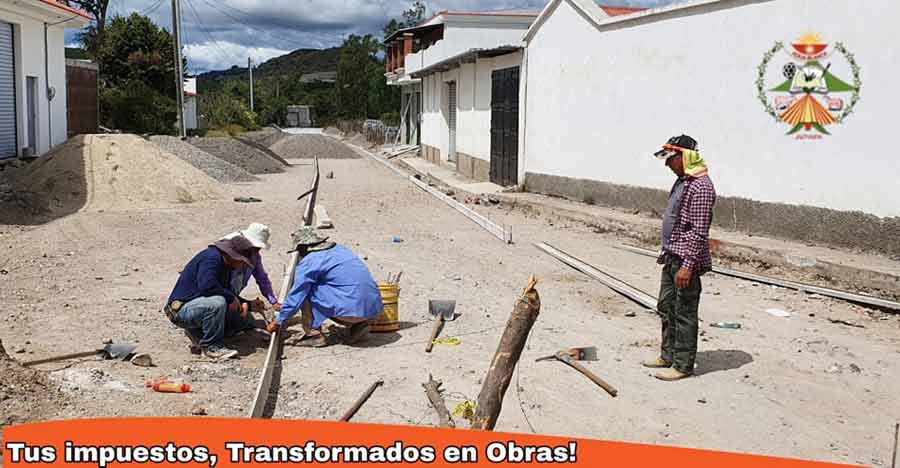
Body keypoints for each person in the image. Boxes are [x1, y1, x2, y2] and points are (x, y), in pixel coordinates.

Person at [644, 134, 717, 381]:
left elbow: (698, 231)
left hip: (686, 261)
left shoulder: (701, 187)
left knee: (684, 311)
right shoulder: (682, 182)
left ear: (685, 157)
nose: (667, 164)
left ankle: (683, 364)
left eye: (670, 158)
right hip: (672, 256)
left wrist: (687, 266)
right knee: (666, 307)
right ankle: (668, 355)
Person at [266, 227, 383, 348]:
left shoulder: (310, 260)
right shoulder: (341, 250)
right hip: (373, 310)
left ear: (303, 247)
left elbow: (296, 296)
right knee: (341, 289)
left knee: (306, 290)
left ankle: (314, 335)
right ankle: (360, 325)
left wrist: (278, 321)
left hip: (351, 312)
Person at [164, 237, 257, 360]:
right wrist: (231, 298)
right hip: (181, 310)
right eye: (241, 261)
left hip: (199, 305)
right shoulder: (211, 258)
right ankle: (211, 347)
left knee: (247, 320)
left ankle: (198, 334)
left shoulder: (226, 264)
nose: (242, 265)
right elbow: (207, 286)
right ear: (232, 255)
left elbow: (225, 291)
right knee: (218, 303)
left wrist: (248, 305)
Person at [221, 223, 281, 314]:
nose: (257, 250)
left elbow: (262, 278)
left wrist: (273, 301)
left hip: (232, 298)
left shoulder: (254, 256)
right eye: (256, 247)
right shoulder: (228, 251)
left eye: (259, 248)